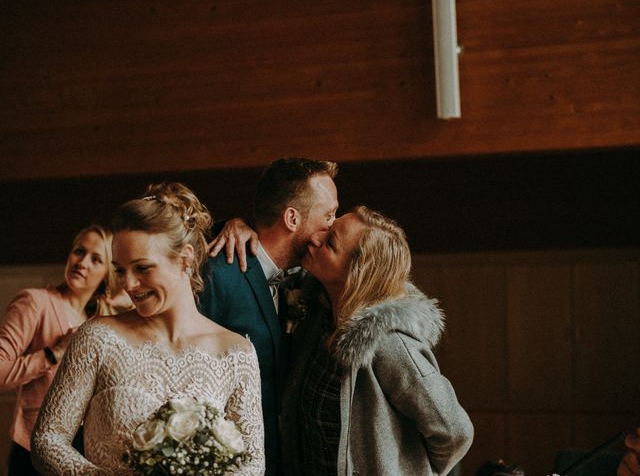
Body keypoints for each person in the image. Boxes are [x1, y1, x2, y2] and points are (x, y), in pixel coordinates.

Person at [31, 182, 264, 475]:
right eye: (120, 270)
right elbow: (48, 439)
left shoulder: (236, 353)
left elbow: (252, 463)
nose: (128, 284)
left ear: (186, 259)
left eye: (142, 268)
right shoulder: (98, 338)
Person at [281, 206, 474, 476]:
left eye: (330, 242)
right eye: (328, 229)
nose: (315, 238)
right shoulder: (319, 319)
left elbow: (455, 432)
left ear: (356, 273)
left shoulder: (391, 345)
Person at [200, 158, 339, 476]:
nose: (334, 226)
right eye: (328, 215)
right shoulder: (217, 276)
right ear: (292, 218)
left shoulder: (312, 280)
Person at [0, 224, 120, 476]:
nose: (82, 262)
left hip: (81, 455)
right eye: (79, 251)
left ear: (106, 273)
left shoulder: (99, 321)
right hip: (33, 451)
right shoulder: (35, 302)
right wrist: (54, 352)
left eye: (96, 259)